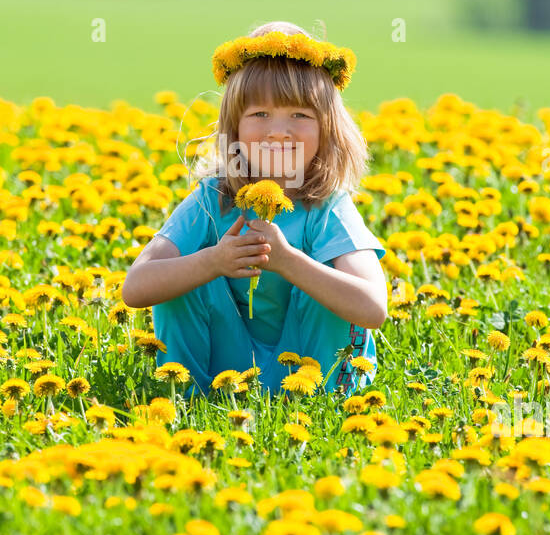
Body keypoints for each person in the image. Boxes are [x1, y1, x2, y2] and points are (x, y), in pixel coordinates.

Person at [121, 21, 388, 396]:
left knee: (328, 279)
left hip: (314, 370)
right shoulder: (213, 199)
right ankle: (187, 398)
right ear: (234, 128)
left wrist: (289, 261)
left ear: (327, 128)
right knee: (179, 276)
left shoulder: (327, 206)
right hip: (227, 371)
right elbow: (135, 288)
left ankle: (325, 399)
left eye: (300, 115)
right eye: (260, 114)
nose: (278, 131)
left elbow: (373, 308)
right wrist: (213, 261)